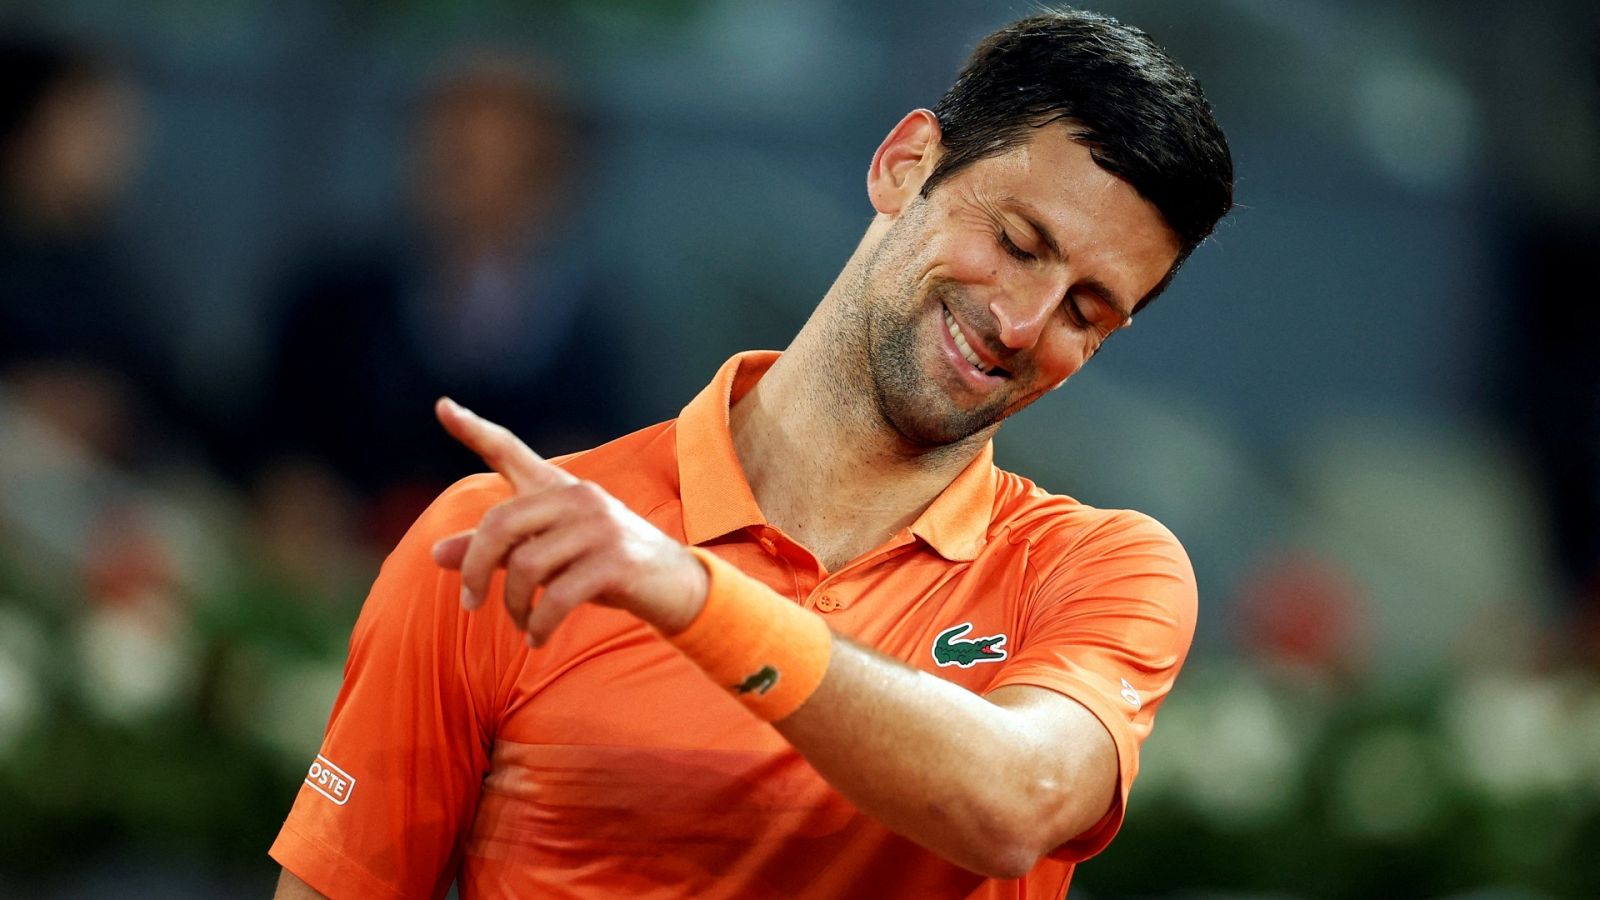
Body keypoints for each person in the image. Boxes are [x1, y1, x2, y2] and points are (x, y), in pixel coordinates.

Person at [271, 8, 1233, 898]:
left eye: (1085, 313)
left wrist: (693, 599)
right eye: (1019, 242)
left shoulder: (1096, 568)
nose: (1024, 325)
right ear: (905, 164)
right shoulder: (502, 538)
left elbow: (1018, 802)